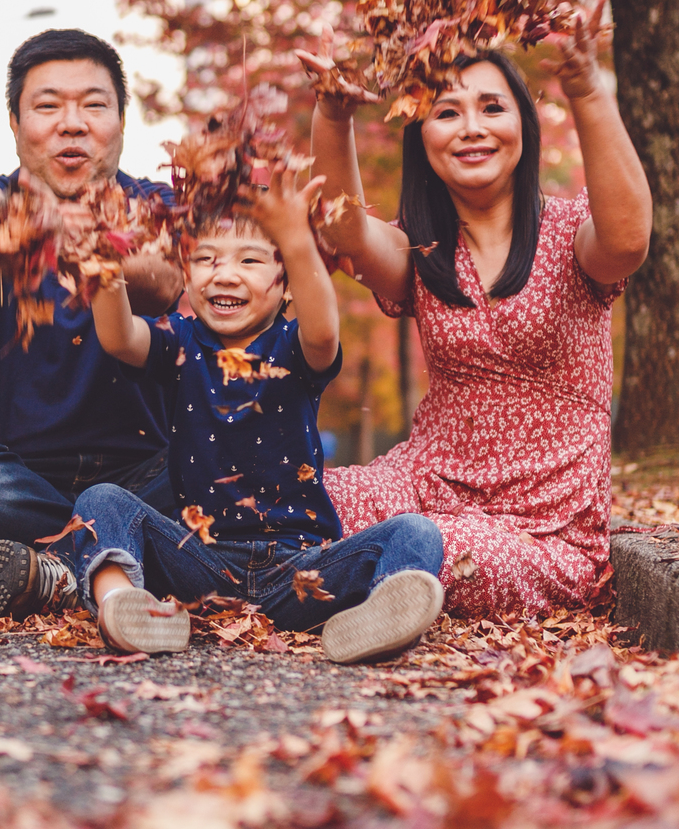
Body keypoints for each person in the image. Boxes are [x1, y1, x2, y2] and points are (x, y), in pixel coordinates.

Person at [295, 13, 652, 620]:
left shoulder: (570, 234)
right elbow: (342, 228)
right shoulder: (423, 250)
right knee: (298, 500)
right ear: (423, 137)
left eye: (492, 107)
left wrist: (589, 89)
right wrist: (332, 114)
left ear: (523, 126)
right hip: (422, 485)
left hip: (540, 531)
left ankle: (371, 598)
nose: (472, 128)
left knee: (441, 547)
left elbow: (627, 239)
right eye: (447, 112)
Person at [60, 164, 446, 663]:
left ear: (286, 284)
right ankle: (125, 607)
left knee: (418, 531)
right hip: (200, 563)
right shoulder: (179, 343)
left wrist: (296, 238)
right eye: (206, 258)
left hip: (301, 571)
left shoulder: (293, 348)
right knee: (102, 501)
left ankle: (381, 615)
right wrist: (105, 265)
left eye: (250, 260)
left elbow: (325, 331)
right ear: (187, 273)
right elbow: (119, 338)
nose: (225, 273)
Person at [0, 30, 183, 614]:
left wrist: (95, 241)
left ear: (121, 122)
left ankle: (57, 577)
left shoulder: (151, 203)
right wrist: (13, 238)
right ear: (17, 125)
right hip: (5, 480)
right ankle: (110, 568)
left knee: (218, 459)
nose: (72, 123)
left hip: (145, 480)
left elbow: (167, 279)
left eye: (94, 104)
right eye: (48, 106)